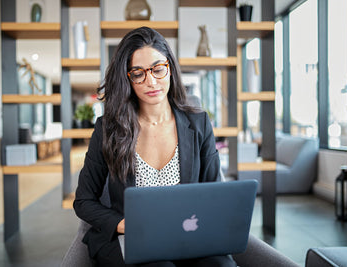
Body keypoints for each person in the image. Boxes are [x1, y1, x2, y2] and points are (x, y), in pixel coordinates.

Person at [73, 26, 236, 267]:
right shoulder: (108, 128)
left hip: (187, 235)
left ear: (170, 68)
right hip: (133, 238)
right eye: (138, 73)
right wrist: (122, 224)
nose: (151, 81)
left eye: (158, 69)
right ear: (127, 77)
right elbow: (83, 201)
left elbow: (214, 195)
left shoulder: (199, 123)